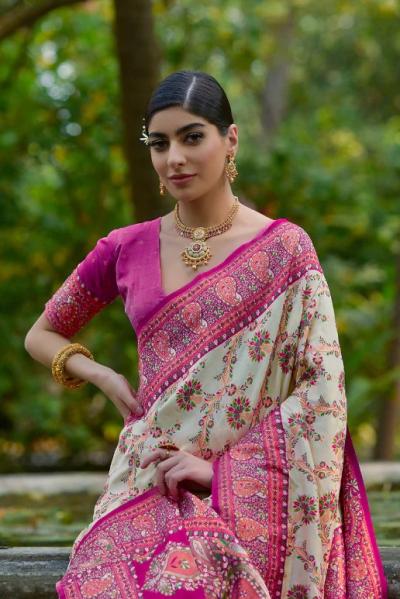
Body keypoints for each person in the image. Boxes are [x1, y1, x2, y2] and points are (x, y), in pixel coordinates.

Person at [25, 70, 387, 598]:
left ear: (230, 139)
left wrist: (222, 472)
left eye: (192, 137)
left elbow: (321, 395)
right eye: (159, 143)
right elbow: (42, 334)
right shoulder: (125, 248)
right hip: (146, 477)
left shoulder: (286, 251)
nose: (174, 158)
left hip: (247, 489)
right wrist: (101, 375)